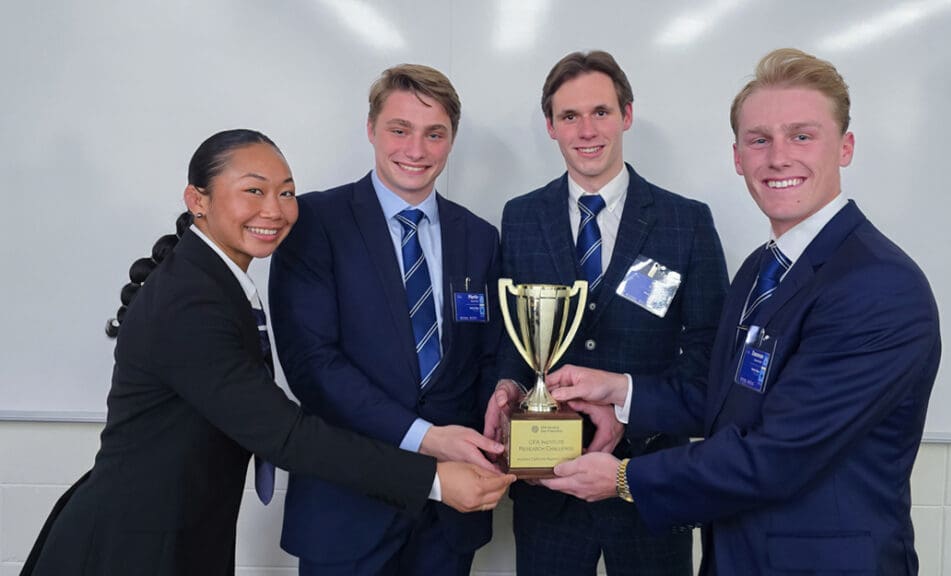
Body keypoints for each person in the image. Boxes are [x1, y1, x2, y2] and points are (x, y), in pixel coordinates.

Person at [20, 129, 513, 576]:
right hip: (130, 545)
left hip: (176, 532)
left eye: (287, 192)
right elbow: (286, 435)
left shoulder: (215, 281)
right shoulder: (191, 300)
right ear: (198, 199)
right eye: (253, 190)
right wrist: (433, 480)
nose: (274, 209)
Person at [542, 48, 942, 575]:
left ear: (845, 147)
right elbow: (725, 404)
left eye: (802, 136)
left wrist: (622, 478)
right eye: (760, 140)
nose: (778, 157)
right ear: (737, 157)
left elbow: (777, 454)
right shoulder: (761, 269)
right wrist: (617, 392)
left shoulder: (878, 285)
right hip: (737, 554)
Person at [482, 50, 729, 576]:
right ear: (551, 126)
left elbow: (708, 352)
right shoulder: (521, 216)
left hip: (649, 481)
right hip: (548, 486)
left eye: (601, 112)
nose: (587, 130)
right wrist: (507, 384)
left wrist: (626, 413)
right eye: (569, 116)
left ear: (627, 115)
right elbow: (514, 335)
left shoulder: (685, 222)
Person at [268, 64, 505, 576]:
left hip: (449, 517)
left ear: (451, 140)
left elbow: (488, 355)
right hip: (347, 508)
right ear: (372, 129)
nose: (416, 150)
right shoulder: (314, 225)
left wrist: (501, 410)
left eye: (434, 134)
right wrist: (428, 437)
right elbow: (314, 366)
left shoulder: (480, 237)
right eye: (400, 130)